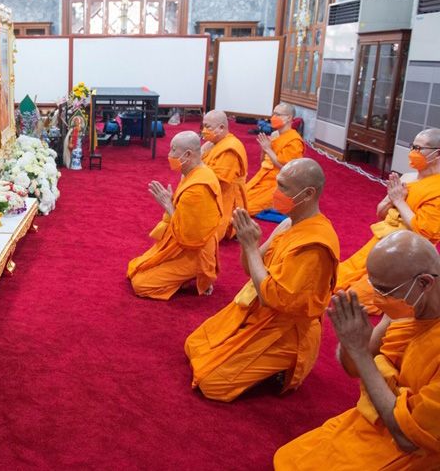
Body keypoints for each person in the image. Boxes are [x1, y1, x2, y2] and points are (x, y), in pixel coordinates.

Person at [274, 231, 440, 470]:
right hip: (376, 419)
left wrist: (362, 354)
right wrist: (351, 342)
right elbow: (353, 367)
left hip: (416, 448)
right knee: (289, 460)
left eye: (385, 290)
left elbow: (408, 438)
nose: (377, 298)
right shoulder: (407, 305)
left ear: (424, 282)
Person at [184, 158, 339, 402]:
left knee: (211, 382)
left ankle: (283, 365)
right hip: (259, 306)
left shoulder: (315, 246)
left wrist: (250, 246)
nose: (276, 193)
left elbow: (272, 298)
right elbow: (250, 268)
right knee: (195, 345)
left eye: (284, 187)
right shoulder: (289, 223)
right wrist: (250, 246)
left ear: (308, 193)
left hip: (284, 327)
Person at [335, 128, 440, 314]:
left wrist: (399, 201)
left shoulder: (437, 190)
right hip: (381, 242)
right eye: (412, 147)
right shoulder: (407, 178)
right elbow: (381, 214)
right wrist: (391, 199)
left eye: (419, 148)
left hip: (406, 256)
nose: (413, 153)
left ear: (437, 154)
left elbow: (423, 234)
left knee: (354, 298)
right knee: (336, 279)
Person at [127, 131, 222, 299]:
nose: (169, 154)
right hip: (180, 241)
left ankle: (194, 274)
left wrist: (168, 205)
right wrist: (172, 202)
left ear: (187, 154)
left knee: (140, 284)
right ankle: (180, 277)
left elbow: (190, 237)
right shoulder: (192, 173)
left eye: (173, 150)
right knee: (135, 267)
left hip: (194, 251)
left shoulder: (199, 187)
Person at [245, 103, 304, 216]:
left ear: (289, 118)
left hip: (280, 183)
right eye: (273, 114)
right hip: (262, 177)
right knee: (238, 197)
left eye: (278, 114)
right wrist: (264, 149)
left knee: (247, 207)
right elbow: (264, 163)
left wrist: (268, 149)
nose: (273, 117)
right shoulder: (274, 135)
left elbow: (286, 169)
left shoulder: (294, 141)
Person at [201, 110, 248, 240]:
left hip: (224, 194)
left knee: (205, 234)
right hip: (211, 188)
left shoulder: (230, 148)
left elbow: (218, 180)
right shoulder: (214, 143)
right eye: (203, 126)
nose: (204, 130)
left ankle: (231, 227)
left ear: (221, 128)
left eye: (207, 127)